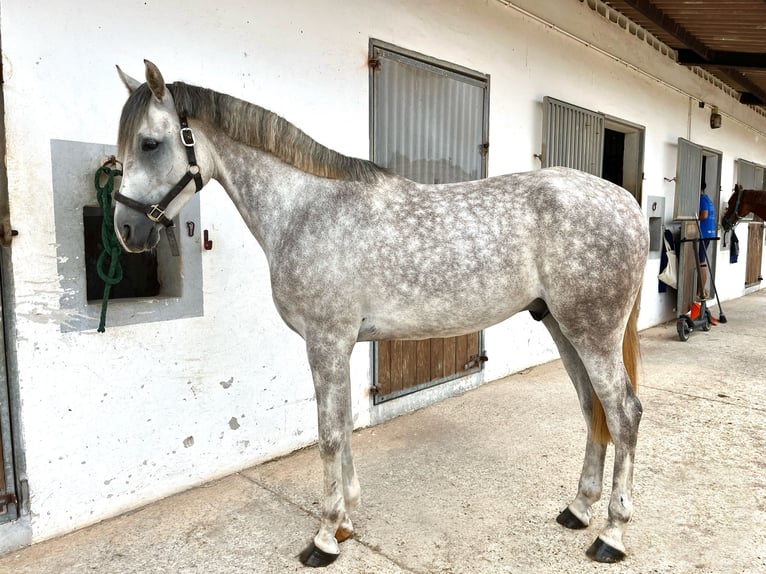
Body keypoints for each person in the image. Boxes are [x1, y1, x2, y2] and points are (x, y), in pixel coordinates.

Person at [698, 182, 716, 299]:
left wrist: (693, 218)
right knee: (702, 262)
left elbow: (704, 215)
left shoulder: (702, 199)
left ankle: (701, 292)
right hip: (708, 234)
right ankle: (701, 291)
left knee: (701, 263)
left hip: (703, 234)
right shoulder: (708, 199)